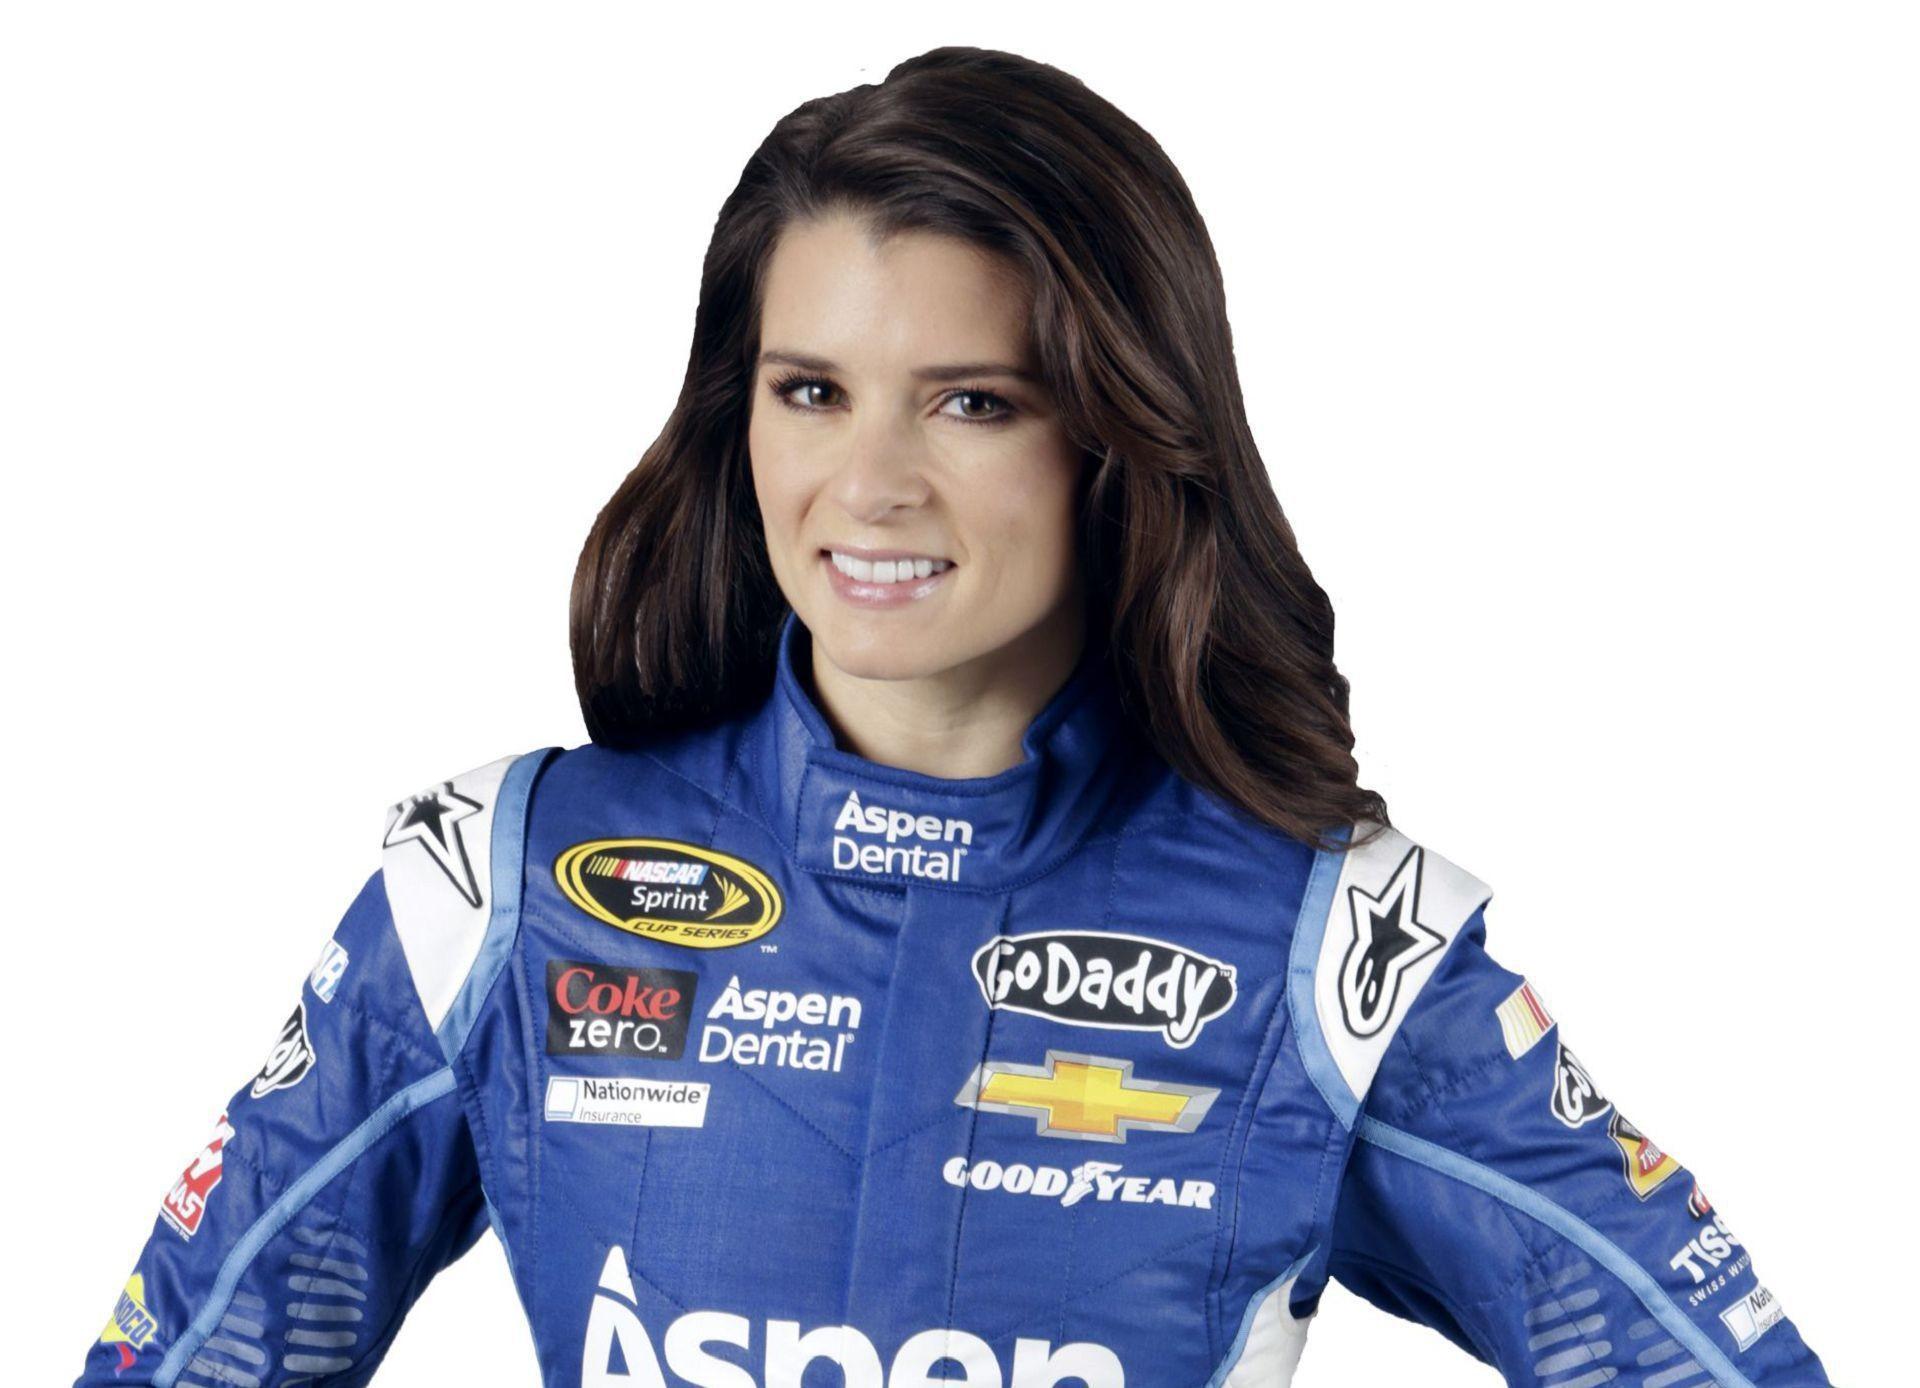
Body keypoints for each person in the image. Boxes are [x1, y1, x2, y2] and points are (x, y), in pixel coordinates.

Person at [75, 45, 1831, 1388]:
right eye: (811, 391)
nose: (869, 484)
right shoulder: (498, 884)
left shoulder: (1340, 952)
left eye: (973, 402)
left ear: (1121, 435)